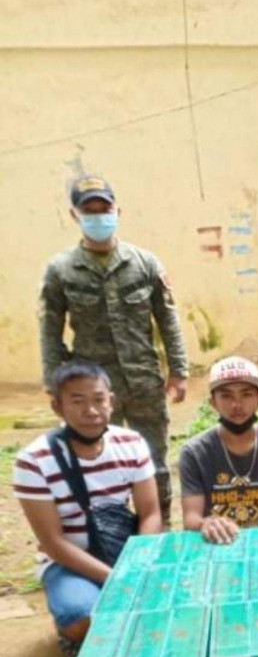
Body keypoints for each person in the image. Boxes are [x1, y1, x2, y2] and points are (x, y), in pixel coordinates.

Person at [38, 173, 189, 524]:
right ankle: (109, 532)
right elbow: (50, 330)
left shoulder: (144, 263)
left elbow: (168, 319)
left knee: (153, 460)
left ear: (118, 211)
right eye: (89, 211)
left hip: (143, 382)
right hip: (91, 389)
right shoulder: (61, 271)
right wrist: (55, 382)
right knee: (97, 461)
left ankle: (159, 525)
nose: (98, 217)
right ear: (75, 216)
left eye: (104, 209)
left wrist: (179, 371)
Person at [13, 361, 162, 656]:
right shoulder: (34, 460)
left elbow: (151, 513)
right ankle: (73, 627)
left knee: (179, 600)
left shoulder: (131, 443)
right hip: (69, 562)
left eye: (98, 399)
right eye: (78, 401)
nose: (91, 411)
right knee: (84, 617)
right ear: (57, 407)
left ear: (111, 401)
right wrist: (116, 580)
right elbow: (53, 543)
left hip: (124, 553)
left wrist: (136, 564)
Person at [179, 357, 258, 543]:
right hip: (217, 541)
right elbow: (191, 517)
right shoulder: (194, 452)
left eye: (246, 394)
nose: (236, 405)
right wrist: (206, 524)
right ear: (213, 402)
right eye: (226, 396)